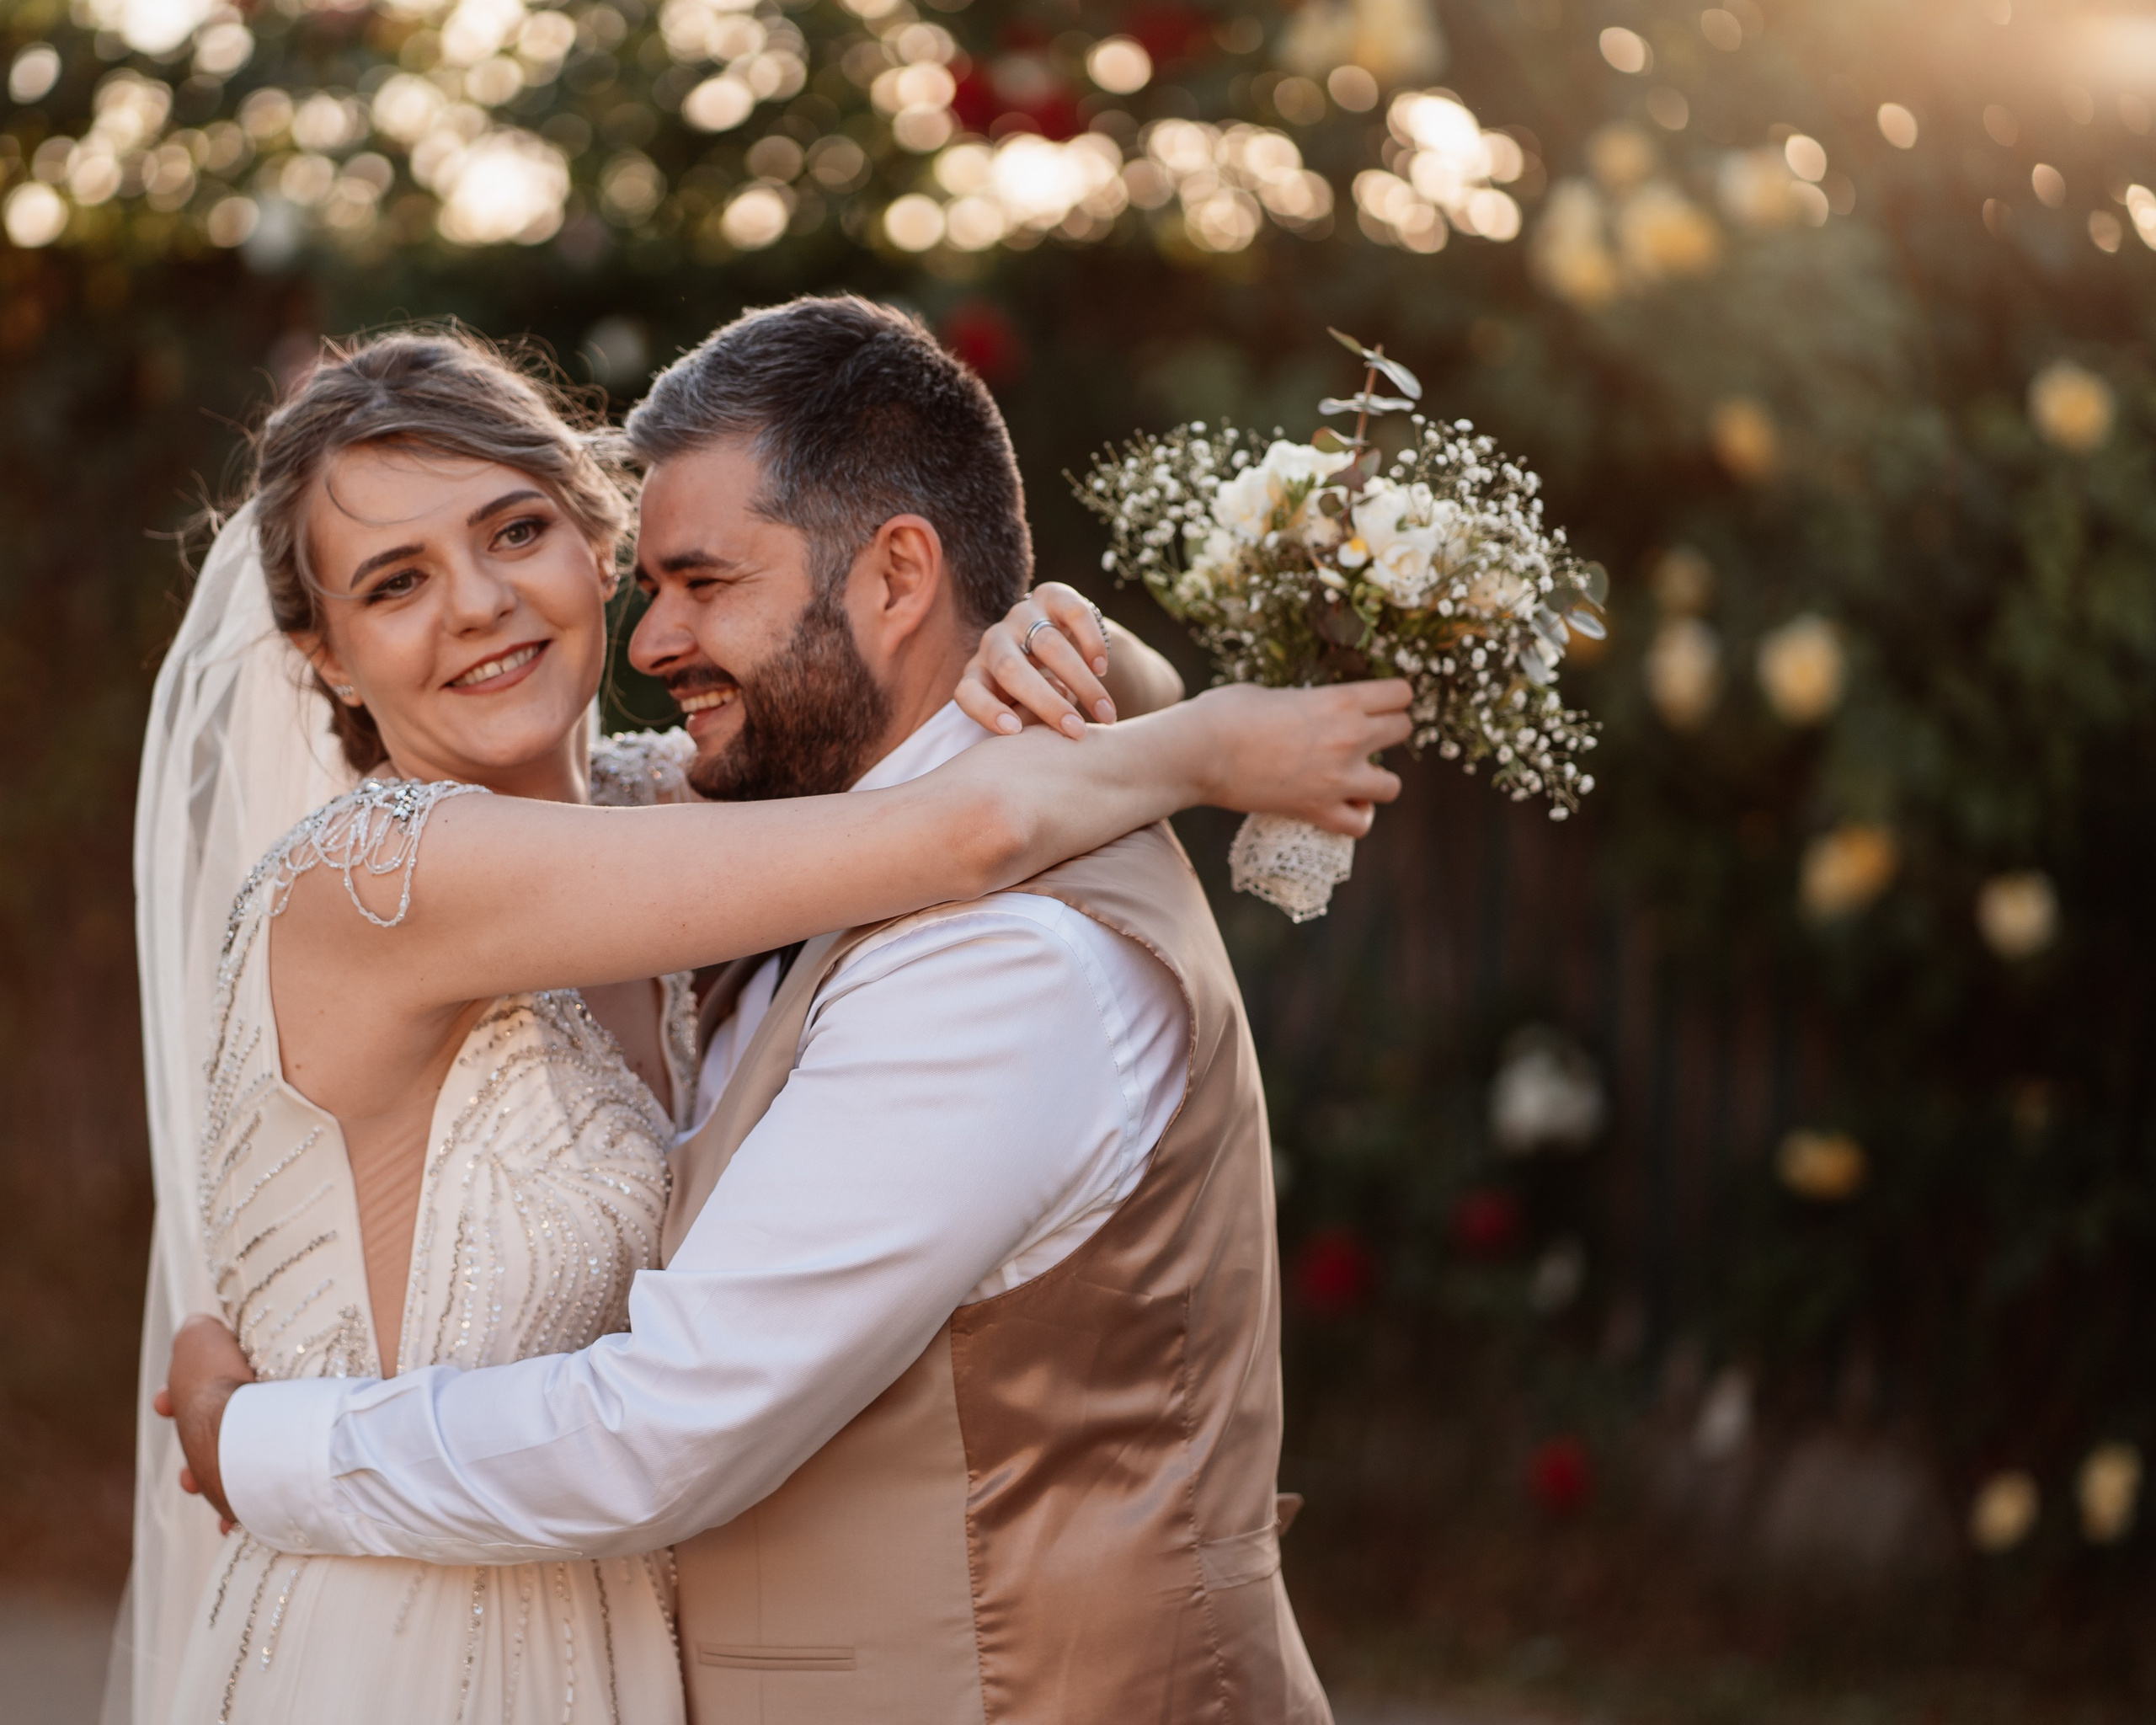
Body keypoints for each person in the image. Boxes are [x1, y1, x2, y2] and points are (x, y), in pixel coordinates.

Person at [154, 300, 1404, 1724]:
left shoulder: (669, 816)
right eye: (392, 584)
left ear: (592, 541)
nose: (482, 604)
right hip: (410, 1643)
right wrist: (1199, 741)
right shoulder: (387, 874)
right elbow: (960, 826)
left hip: (611, 1630)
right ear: (324, 655)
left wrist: (1076, 651)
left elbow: (922, 772)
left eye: (514, 533)